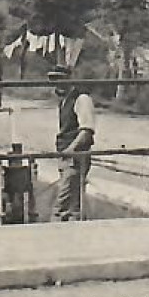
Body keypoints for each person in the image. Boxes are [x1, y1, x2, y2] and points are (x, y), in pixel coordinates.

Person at [48, 64, 95, 221]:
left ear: (69, 79)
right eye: (53, 79)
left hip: (76, 157)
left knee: (60, 205)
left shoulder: (81, 99)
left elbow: (86, 131)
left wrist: (71, 149)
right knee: (74, 204)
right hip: (65, 157)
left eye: (59, 79)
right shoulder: (64, 101)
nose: (56, 84)